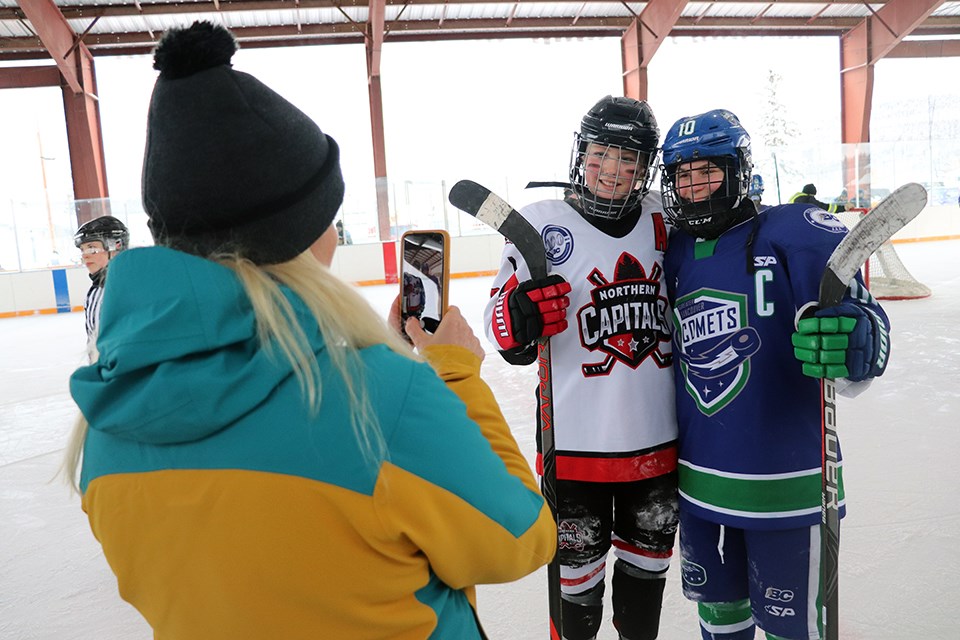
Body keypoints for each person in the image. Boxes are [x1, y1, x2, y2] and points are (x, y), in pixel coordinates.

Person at [63, 22, 555, 640]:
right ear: (300, 234)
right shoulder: (379, 398)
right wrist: (451, 377)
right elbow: (518, 538)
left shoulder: (105, 429)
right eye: (331, 214)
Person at [659, 108, 891, 640]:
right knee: (720, 623)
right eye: (683, 175)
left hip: (788, 486)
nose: (695, 186)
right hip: (699, 487)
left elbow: (863, 321)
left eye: (707, 171)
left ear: (737, 169)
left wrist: (858, 342)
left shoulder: (792, 231)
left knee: (794, 631)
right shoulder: (670, 251)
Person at [483, 95, 678, 640]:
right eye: (602, 153)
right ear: (581, 153)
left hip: (657, 446)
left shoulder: (666, 218)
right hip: (573, 451)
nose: (613, 169)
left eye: (629, 158)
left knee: (644, 597)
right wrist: (519, 316)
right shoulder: (539, 223)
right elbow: (501, 324)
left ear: (646, 166)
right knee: (576, 602)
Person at [73, 215, 129, 357]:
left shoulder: (131, 289)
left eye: (92, 248)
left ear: (116, 246)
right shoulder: (94, 292)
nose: (85, 256)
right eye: (83, 250)